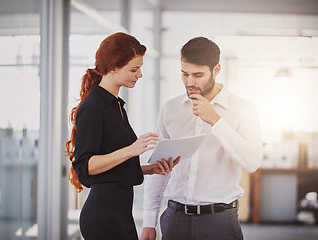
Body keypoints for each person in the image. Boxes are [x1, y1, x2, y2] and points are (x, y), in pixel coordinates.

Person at [141, 37, 263, 240]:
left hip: (220, 222)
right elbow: (159, 169)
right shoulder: (170, 109)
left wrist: (216, 120)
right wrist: (148, 222)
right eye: (184, 74)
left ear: (216, 70)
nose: (189, 82)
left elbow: (252, 162)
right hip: (175, 220)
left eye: (198, 75)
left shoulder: (243, 109)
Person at [65, 32, 180, 240]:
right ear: (113, 68)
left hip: (119, 213)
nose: (140, 75)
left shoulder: (116, 106)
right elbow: (85, 166)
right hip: (103, 215)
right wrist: (132, 149)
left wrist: (150, 169)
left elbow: (114, 168)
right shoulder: (93, 107)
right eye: (134, 69)